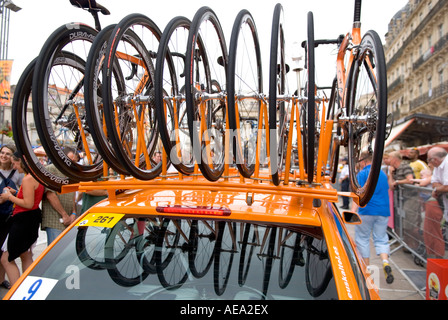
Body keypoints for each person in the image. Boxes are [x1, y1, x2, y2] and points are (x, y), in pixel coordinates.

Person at [0, 152, 44, 285]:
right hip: (31, 219)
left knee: (6, 258)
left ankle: (16, 289)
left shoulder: (27, 179)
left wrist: (9, 197)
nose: (14, 166)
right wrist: (16, 193)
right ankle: (27, 286)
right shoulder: (35, 176)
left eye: (14, 163)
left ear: (22, 162)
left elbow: (28, 203)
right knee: (25, 255)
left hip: (23, 220)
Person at [352, 151, 394, 284]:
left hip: (366, 210)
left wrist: (353, 212)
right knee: (381, 238)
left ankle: (366, 268)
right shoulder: (382, 174)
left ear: (364, 161)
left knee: (362, 238)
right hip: (383, 211)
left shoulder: (363, 174)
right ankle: (385, 261)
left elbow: (358, 193)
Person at [41, 147, 78, 244]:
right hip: (55, 220)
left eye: (75, 161)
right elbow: (50, 195)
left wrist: (73, 213)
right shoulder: (51, 169)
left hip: (69, 219)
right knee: (55, 252)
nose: (72, 163)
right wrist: (64, 215)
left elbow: (73, 194)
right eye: (70, 159)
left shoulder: (72, 173)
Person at [385, 150, 420, 250]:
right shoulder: (394, 169)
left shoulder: (405, 166)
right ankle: (407, 245)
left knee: (410, 224)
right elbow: (391, 186)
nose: (388, 161)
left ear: (395, 159)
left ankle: (416, 245)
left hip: (410, 198)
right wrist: (391, 174)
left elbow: (410, 179)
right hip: (401, 199)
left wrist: (397, 181)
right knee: (403, 223)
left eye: (390, 158)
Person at [0, 145, 24, 290]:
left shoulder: (18, 173)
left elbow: (22, 192)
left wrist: (12, 195)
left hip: (9, 216)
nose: (3, 156)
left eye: (8, 154)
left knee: (3, 249)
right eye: (2, 152)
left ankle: (1, 279)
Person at [414, 168, 445, 258]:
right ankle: (434, 257)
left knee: (434, 232)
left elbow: (424, 183)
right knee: (429, 231)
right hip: (431, 203)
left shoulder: (436, 174)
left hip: (435, 204)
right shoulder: (436, 174)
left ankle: (438, 258)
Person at [428, 147, 448, 221]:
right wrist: (441, 188)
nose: (429, 163)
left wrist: (437, 189)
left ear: (435, 160)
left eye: (429, 160)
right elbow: (434, 183)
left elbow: (447, 187)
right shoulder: (438, 166)